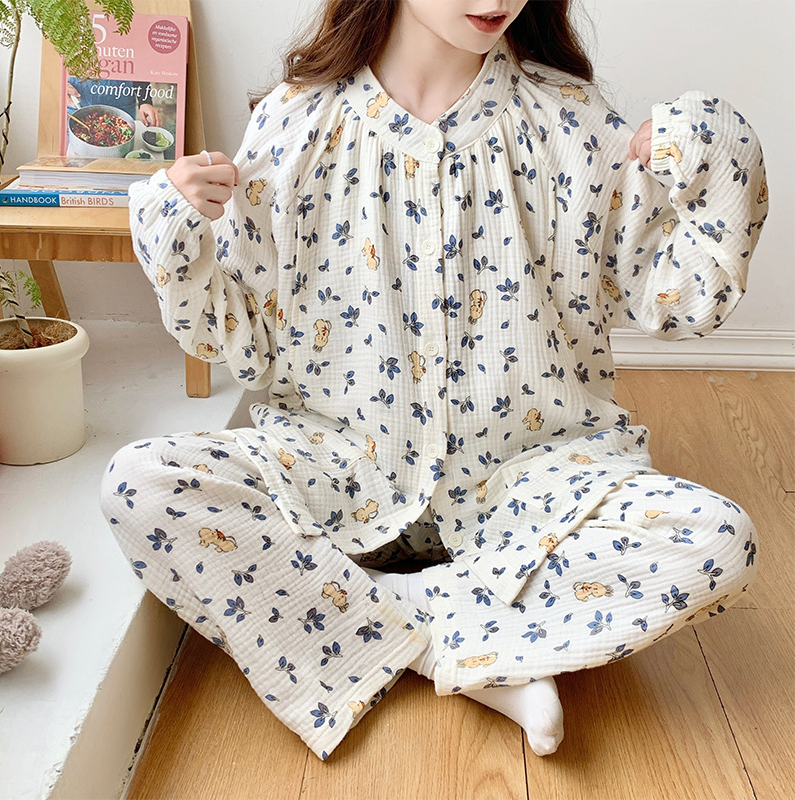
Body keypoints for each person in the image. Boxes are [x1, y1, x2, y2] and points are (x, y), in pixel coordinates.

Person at [100, 0, 768, 762]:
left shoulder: (571, 123)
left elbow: (679, 298)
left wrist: (719, 150)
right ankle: (483, 652)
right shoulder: (296, 123)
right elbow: (244, 348)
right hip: (338, 473)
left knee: (715, 541)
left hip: (529, 484)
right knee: (139, 484)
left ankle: (383, 622)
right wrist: (176, 234)